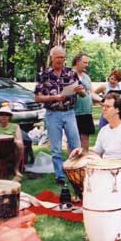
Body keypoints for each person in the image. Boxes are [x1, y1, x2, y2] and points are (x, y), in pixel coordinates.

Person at [34, 46, 85, 186]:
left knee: (76, 144)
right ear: (52, 58)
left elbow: (82, 94)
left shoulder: (71, 73)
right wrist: (55, 98)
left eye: (62, 58)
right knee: (56, 148)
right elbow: (37, 98)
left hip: (69, 112)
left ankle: (77, 172)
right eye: (58, 58)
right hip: (52, 114)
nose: (60, 61)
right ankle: (60, 176)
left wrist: (80, 91)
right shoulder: (43, 75)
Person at [70, 93, 121, 170]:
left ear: (117, 109)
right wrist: (82, 152)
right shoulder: (104, 130)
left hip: (120, 173)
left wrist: (106, 165)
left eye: (108, 107)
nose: (104, 109)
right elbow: (96, 152)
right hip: (103, 169)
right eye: (103, 106)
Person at [72, 52, 102, 150]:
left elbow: (91, 93)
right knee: (73, 139)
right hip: (73, 112)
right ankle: (72, 162)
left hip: (86, 112)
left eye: (87, 63)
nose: (87, 65)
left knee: (85, 138)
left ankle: (85, 160)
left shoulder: (86, 77)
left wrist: (102, 100)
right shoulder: (69, 75)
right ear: (77, 62)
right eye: (85, 62)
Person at [0, 106, 24, 180]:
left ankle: (16, 168)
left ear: (10, 117)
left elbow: (19, 139)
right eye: (1, 114)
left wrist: (10, 139)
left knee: (20, 145)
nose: (4, 117)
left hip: (11, 147)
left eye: (6, 114)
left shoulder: (15, 126)